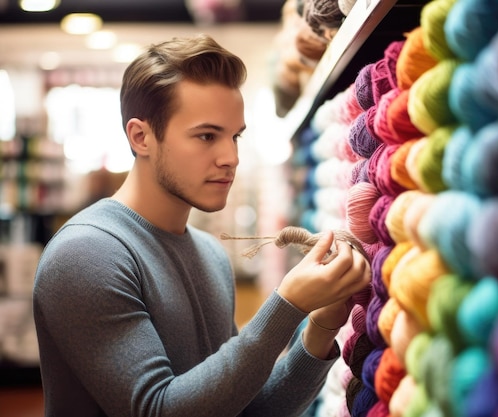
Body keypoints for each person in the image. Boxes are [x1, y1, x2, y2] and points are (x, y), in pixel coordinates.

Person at [32, 33, 371, 417]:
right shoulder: (87, 254)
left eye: (235, 136)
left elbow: (240, 410)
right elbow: (158, 411)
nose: (231, 157)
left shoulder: (210, 254)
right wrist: (286, 305)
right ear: (141, 137)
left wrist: (321, 327)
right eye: (207, 136)